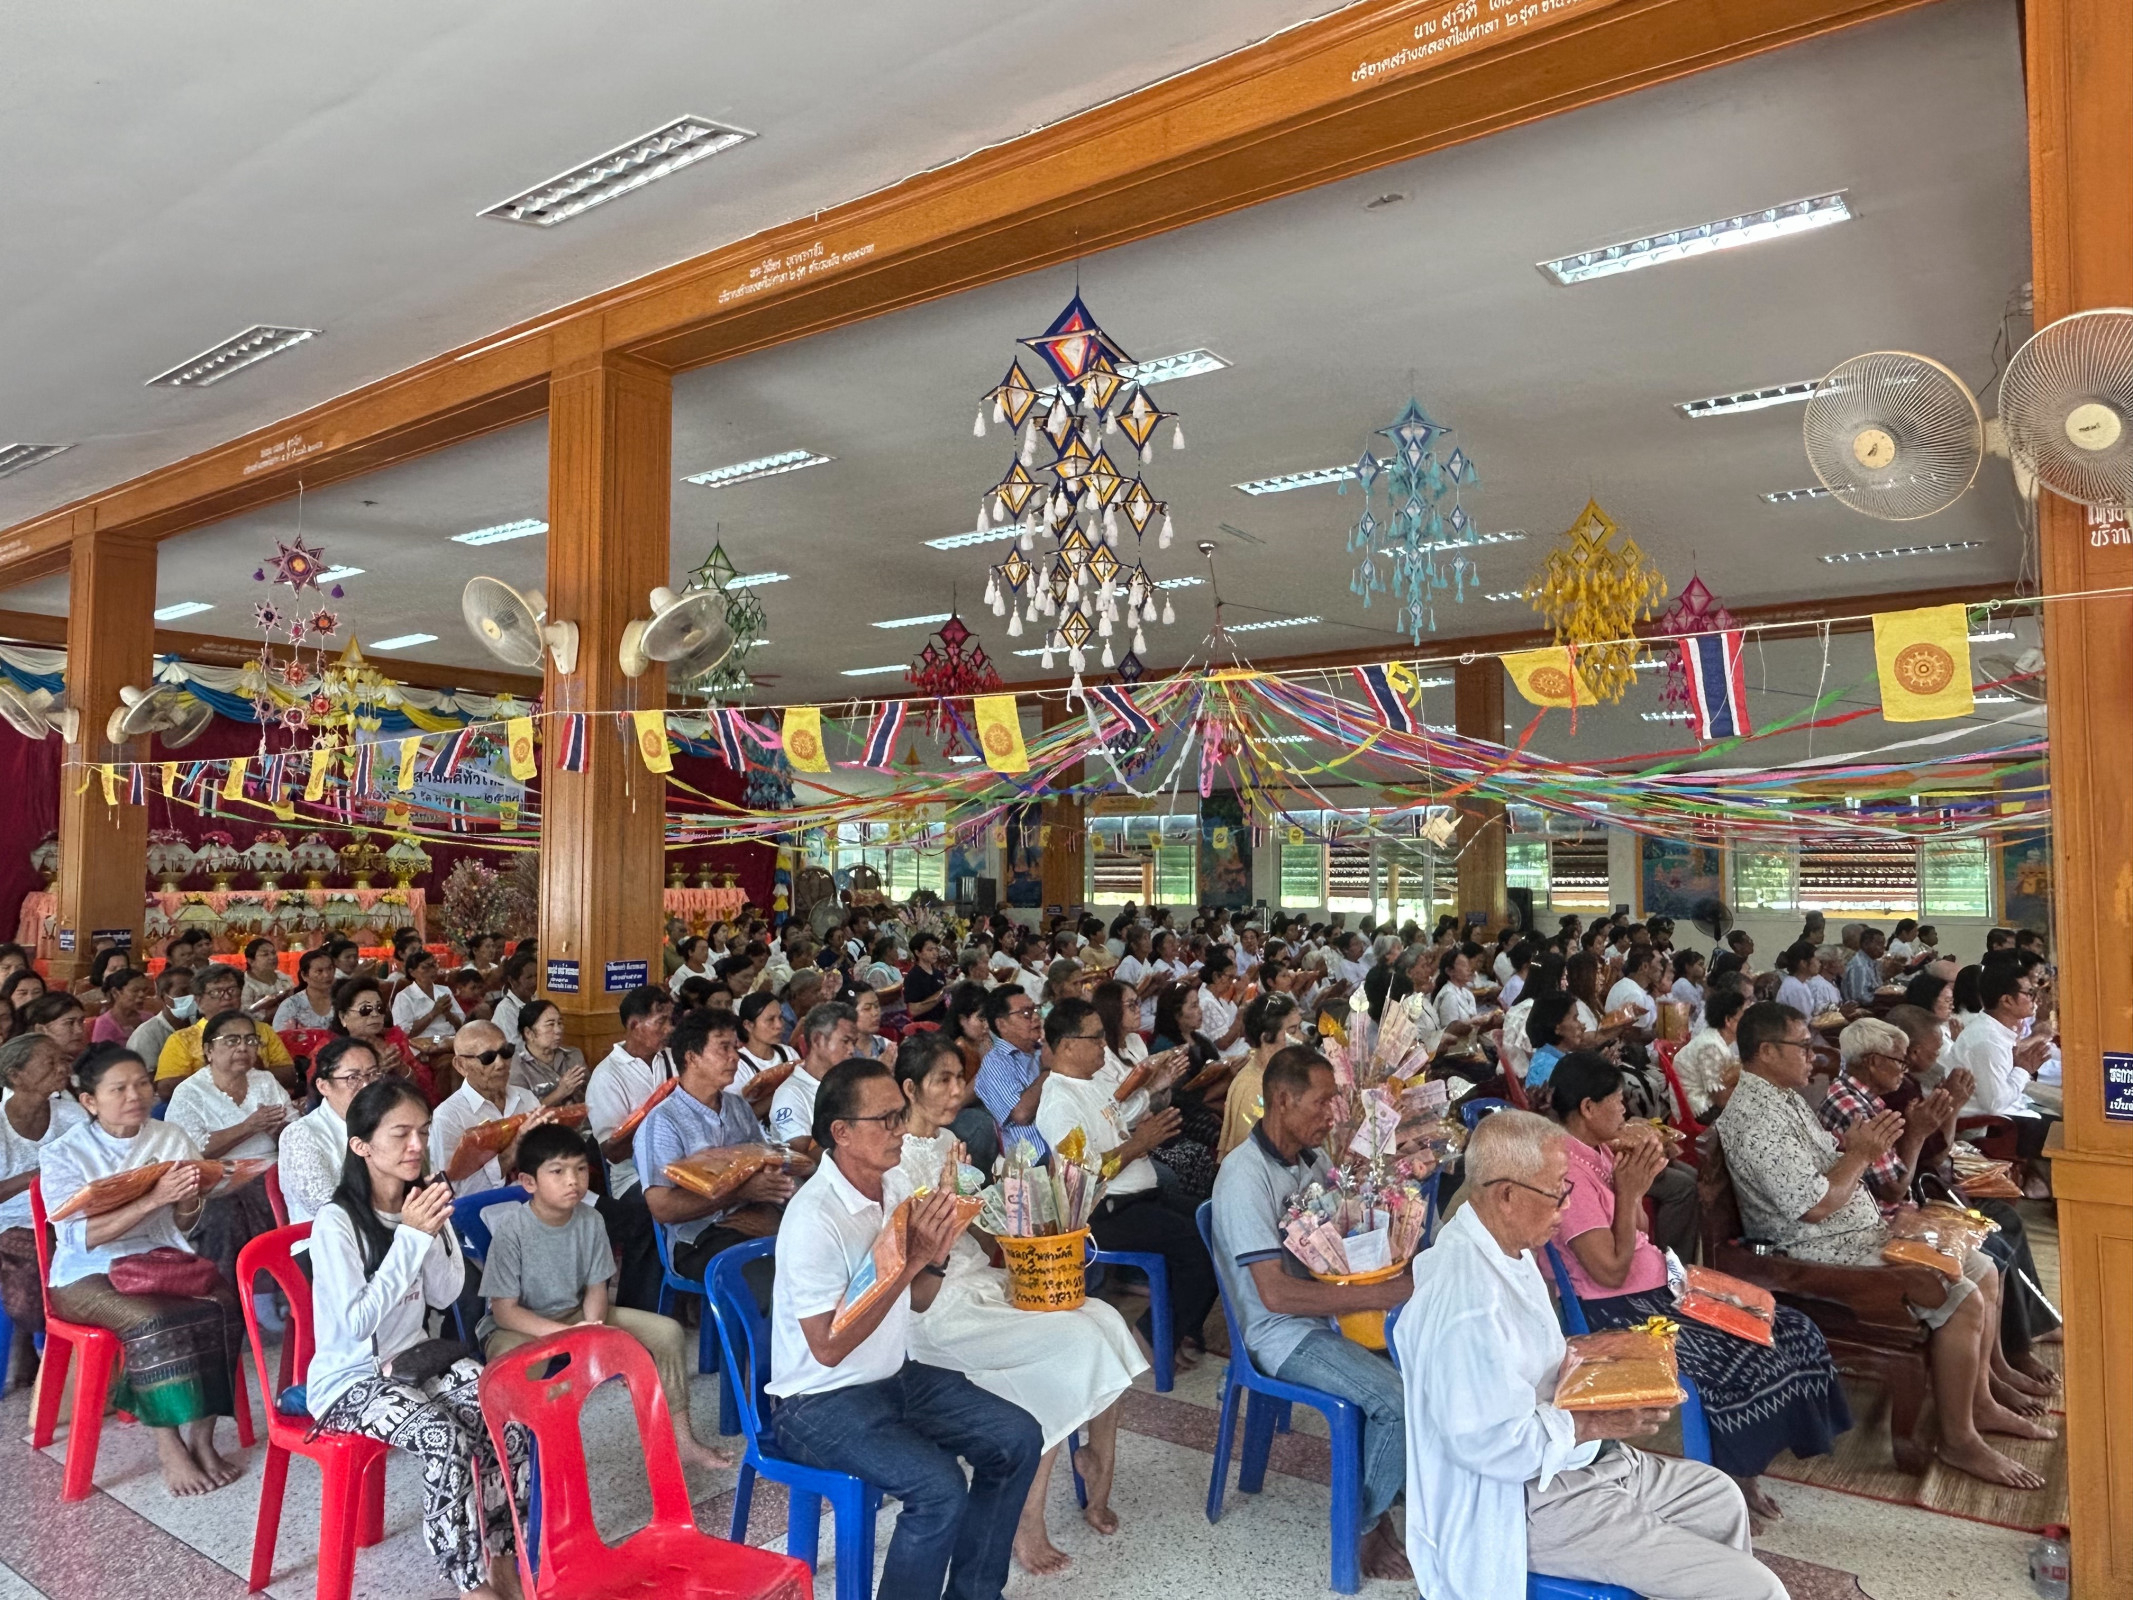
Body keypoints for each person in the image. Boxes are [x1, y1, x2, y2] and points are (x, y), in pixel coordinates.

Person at [1395, 1107, 1786, 1600]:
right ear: (1507, 1195)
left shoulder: (1499, 1242)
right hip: (1524, 1501)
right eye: (1558, 1189)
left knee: (1718, 1497)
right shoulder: (1468, 1304)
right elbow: (1488, 1444)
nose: (1567, 1203)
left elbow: (1515, 1362)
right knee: (1759, 1589)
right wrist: (1598, 1423)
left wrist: (1582, 1351)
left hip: (1573, 1463)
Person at [1714, 1002, 2050, 1489]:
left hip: (1854, 1232)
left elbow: (1832, 1172)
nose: (1814, 1055)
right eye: (1803, 1046)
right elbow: (1816, 1208)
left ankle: (1978, 1402)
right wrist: (1862, 1153)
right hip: (1818, 1252)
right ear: (1766, 1051)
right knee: (1961, 1297)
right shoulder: (1754, 1119)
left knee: (1981, 1266)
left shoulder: (1781, 1097)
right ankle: (1958, 1440)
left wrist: (1866, 1161)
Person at [769, 1056, 1044, 1600]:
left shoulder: (891, 1187)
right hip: (817, 1401)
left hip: (891, 1378)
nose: (900, 1130)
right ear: (841, 1133)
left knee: (1017, 1438)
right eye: (886, 1120)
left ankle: (973, 1593)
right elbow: (826, 1347)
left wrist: (936, 1251)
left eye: (900, 1115)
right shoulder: (814, 1217)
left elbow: (917, 1300)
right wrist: (911, 1263)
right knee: (940, 1489)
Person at [1549, 1050, 1850, 1523]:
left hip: (1658, 1284)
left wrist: (1640, 1174)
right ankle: (1730, 1481)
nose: (1625, 1110)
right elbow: (1609, 1272)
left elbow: (1639, 1227)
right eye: (1617, 1101)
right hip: (1619, 1307)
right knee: (1736, 1362)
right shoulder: (1567, 1173)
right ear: (1587, 1108)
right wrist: (1630, 1191)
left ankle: (1750, 1466)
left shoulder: (1602, 1151)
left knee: (1789, 1327)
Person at [893, 1031, 1145, 1573]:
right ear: (909, 1089)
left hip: (980, 1281)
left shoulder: (947, 1143)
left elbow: (985, 1237)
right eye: (943, 1079)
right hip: (937, 1308)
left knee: (1103, 1316)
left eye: (961, 1078)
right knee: (1065, 1346)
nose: (957, 1090)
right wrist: (952, 1211)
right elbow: (912, 1268)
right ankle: (1027, 1520)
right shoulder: (894, 1161)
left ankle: (1099, 1463)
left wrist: (1022, 1209)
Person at [307, 1079, 530, 1600]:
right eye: (401, 1133)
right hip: (350, 1380)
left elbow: (447, 1290)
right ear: (361, 1145)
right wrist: (410, 1237)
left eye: (423, 1132)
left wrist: (436, 1230)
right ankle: (469, 1583)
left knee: (509, 1417)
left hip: (413, 1359)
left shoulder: (416, 1204)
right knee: (444, 1439)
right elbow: (356, 1325)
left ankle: (503, 1560)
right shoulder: (335, 1223)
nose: (416, 1145)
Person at [1211, 1046, 1413, 1580]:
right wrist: (1377, 1297)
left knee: (1432, 1365)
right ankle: (1363, 1527)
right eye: (1323, 1103)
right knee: (1396, 1401)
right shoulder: (1243, 1177)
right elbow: (1275, 1296)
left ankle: (1407, 1485)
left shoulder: (1312, 1161)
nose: (1333, 1116)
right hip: (1281, 1333)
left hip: (1325, 1318)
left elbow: (1338, 1245)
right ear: (1282, 1100)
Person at [41, 1045, 248, 1497]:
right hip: (84, 1274)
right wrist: (152, 1197)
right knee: (154, 1319)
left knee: (225, 1305)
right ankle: (168, 1442)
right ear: (90, 1102)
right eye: (119, 1088)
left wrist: (191, 1196)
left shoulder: (168, 1136)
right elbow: (81, 1239)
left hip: (158, 1258)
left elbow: (182, 1225)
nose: (135, 1095)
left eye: (141, 1084)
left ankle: (203, 1438)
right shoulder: (65, 1154)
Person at [480, 1120, 732, 1473]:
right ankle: (523, 1461)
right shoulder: (513, 1230)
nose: (573, 1180)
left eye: (580, 1169)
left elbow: (597, 1288)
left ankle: (682, 1439)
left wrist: (592, 1328)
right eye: (558, 1171)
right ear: (528, 1182)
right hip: (520, 1325)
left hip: (576, 1314)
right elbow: (505, 1311)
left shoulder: (591, 1220)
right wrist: (565, 1337)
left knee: (667, 1333)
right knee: (516, 1365)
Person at [1036, 998, 1216, 1370]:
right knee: (1198, 1245)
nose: (1104, 1043)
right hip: (1104, 1213)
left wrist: (1149, 1120)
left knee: (1217, 1222)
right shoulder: (1059, 1101)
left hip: (1139, 1197)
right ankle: (1149, 1339)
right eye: (1096, 1037)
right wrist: (1140, 1144)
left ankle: (1179, 1329)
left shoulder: (1091, 1085)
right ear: (1067, 1045)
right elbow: (1082, 1176)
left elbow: (1121, 1125)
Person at [637, 1008, 794, 1307]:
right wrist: (738, 1193)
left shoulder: (736, 1107)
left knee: (809, 1249)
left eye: (735, 1047)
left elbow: (760, 1163)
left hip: (750, 1216)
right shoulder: (663, 1122)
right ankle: (759, 1351)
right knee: (769, 1276)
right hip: (696, 1239)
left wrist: (769, 1193)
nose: (735, 1056)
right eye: (723, 1047)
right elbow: (662, 1208)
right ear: (692, 1057)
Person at [166, 1008, 293, 1280]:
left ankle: (282, 1286)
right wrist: (248, 1127)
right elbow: (190, 1152)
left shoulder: (266, 1081)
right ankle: (251, 1290)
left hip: (271, 1171)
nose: (243, 1048)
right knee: (231, 1209)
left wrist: (278, 1132)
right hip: (215, 1178)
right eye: (232, 1041)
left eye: (250, 1040)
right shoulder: (189, 1092)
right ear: (209, 1050)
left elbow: (295, 1136)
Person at [584, 985, 676, 1311]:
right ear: (635, 1026)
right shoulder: (608, 1076)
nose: (669, 1030)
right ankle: (639, 1309)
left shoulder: (670, 1060)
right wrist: (655, 1111)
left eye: (670, 1021)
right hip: (632, 1177)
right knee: (655, 1209)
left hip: (682, 1165)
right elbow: (613, 1153)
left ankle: (688, 1293)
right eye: (661, 1022)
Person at [0, 1033, 85, 1357]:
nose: (62, 1068)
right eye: (49, 1063)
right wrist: (34, 1178)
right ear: (15, 1075)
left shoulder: (70, 1115)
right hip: (9, 1223)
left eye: (62, 1060)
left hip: (65, 1214)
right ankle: (46, 1343)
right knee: (40, 1251)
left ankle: (60, 1341)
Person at [1943, 965, 2056, 1159]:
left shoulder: (1996, 1030)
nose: (2035, 999)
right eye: (2029, 993)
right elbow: (1994, 1104)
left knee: (2066, 1125)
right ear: (2006, 1000)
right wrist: (2022, 1069)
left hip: (2012, 1111)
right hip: (1992, 1126)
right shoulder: (1987, 1040)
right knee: (2068, 1137)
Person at [429, 1021, 550, 1197]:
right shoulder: (448, 1118)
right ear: (461, 1065)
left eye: (506, 1052)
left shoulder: (526, 1098)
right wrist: (511, 1153)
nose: (501, 1064)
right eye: (488, 1058)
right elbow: (452, 1192)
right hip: (485, 1211)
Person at [278, 1036, 382, 1225]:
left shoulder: (386, 1120)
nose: (367, 1086)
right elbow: (329, 1209)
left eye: (373, 1074)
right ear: (324, 1086)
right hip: (326, 1239)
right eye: (353, 1078)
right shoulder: (301, 1135)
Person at [155, 964, 296, 1098]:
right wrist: (219, 1073)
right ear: (198, 1000)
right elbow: (166, 1089)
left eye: (232, 990)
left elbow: (289, 1076)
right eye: (216, 992)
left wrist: (257, 1072)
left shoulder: (263, 1030)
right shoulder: (182, 1039)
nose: (227, 997)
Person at [1216, 988, 1303, 1159]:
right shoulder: (1250, 1087)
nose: (1300, 1038)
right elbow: (1258, 1155)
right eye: (1292, 1031)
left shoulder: (1280, 1069)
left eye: (1299, 1029)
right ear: (1266, 1037)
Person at [769, 1001, 860, 1152]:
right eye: (845, 1041)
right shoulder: (790, 1094)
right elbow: (803, 1157)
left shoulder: (851, 1083)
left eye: (854, 1043)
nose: (851, 1050)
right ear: (817, 1039)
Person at [330, 974, 432, 1102]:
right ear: (343, 1017)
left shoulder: (394, 1039)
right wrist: (377, 1074)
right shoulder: (332, 1051)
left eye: (379, 1008)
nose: (375, 1014)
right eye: (365, 1009)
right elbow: (337, 1097)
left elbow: (422, 1088)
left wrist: (401, 1068)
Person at [974, 985, 1048, 1160]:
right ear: (1002, 1024)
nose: (1036, 1017)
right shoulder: (995, 1063)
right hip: (1037, 1160)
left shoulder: (1041, 1051)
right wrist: (1048, 1070)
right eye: (1025, 1013)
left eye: (1035, 1009)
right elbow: (1021, 1114)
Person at [1671, 982, 1747, 1123]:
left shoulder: (1717, 1040)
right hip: (1700, 1110)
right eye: (1743, 1018)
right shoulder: (1710, 1046)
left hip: (1707, 1103)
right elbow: (1721, 1099)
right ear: (1729, 1020)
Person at [507, 1000, 589, 1106]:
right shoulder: (515, 1066)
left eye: (559, 1023)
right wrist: (560, 1092)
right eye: (550, 1024)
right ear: (529, 1033)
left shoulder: (573, 1055)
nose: (558, 1030)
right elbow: (522, 1113)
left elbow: (592, 1096)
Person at [127, 968, 198, 1072]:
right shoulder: (146, 1035)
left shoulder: (200, 1024)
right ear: (163, 997)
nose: (191, 997)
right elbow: (148, 1079)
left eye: (194, 991)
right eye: (183, 992)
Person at [1521, 991, 1586, 1095]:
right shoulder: (1547, 1067)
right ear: (1557, 1027)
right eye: (1575, 1018)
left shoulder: (1558, 1056)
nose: (1581, 1025)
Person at [272, 948, 340, 1033]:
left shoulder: (344, 998)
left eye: (330, 969)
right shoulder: (291, 1005)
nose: (326, 975)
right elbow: (281, 1037)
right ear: (304, 975)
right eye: (319, 971)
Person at [91, 966, 155, 1046]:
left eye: (144, 990)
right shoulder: (104, 1024)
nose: (142, 995)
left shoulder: (149, 1019)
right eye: (135, 990)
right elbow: (101, 1056)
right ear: (115, 992)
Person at [490, 955, 538, 1047]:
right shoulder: (505, 1010)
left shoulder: (537, 1000)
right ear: (512, 981)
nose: (535, 981)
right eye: (529, 977)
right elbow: (516, 1047)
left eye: (537, 975)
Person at [240, 939, 290, 1017]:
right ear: (251, 961)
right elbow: (246, 1014)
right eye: (265, 954)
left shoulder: (283, 978)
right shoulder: (244, 983)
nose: (272, 957)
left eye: (273, 953)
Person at [1843, 929, 1889, 1008]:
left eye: (1883, 944)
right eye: (1879, 944)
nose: (1883, 947)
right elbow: (1860, 997)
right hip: (1861, 1011)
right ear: (1865, 944)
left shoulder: (1872, 962)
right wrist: (1884, 1001)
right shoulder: (1859, 966)